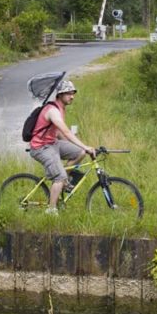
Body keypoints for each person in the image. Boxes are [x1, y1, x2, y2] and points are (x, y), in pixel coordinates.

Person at [28, 79, 96, 213]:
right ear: (59, 94)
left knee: (80, 152)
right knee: (59, 177)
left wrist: (81, 148)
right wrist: (86, 146)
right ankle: (51, 210)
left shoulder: (61, 108)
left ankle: (63, 181)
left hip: (53, 144)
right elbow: (65, 131)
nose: (72, 96)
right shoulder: (52, 110)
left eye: (73, 93)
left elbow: (58, 133)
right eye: (68, 93)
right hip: (41, 147)